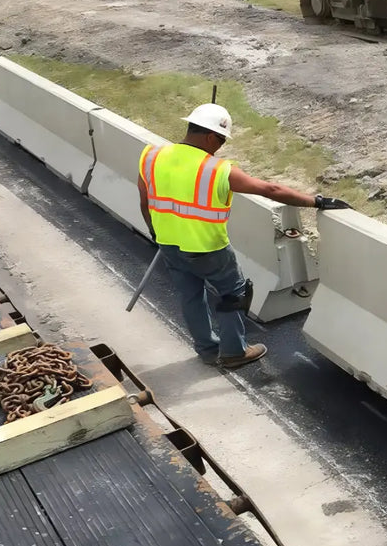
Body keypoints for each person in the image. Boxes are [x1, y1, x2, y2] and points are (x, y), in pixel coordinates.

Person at [138, 103, 350, 369]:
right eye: (222, 140)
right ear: (211, 137)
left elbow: (145, 202)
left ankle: (206, 349)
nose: (222, 146)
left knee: (191, 296)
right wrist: (316, 201)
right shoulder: (217, 169)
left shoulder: (151, 156)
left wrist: (156, 233)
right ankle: (234, 352)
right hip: (209, 249)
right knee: (234, 295)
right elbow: (270, 189)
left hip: (168, 244)